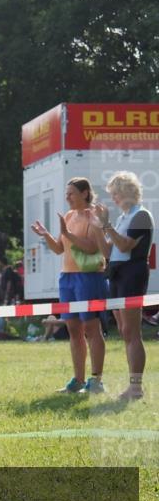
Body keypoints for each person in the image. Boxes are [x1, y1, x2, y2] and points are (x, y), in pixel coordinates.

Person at [31, 177, 108, 393]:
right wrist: (46, 235)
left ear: (85, 193)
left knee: (92, 328)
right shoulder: (69, 216)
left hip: (88, 277)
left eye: (71, 193)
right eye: (67, 193)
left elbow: (92, 248)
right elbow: (58, 249)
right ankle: (78, 380)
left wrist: (67, 234)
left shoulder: (93, 216)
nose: (67, 197)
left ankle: (96, 380)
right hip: (67, 278)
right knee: (73, 329)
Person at [92, 170, 154, 401]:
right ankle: (133, 386)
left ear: (127, 192)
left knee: (132, 332)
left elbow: (126, 245)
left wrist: (107, 226)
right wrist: (98, 227)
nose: (114, 198)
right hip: (117, 273)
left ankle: (136, 387)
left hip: (132, 274)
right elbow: (109, 251)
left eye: (116, 193)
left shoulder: (141, 215)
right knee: (124, 332)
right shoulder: (121, 218)